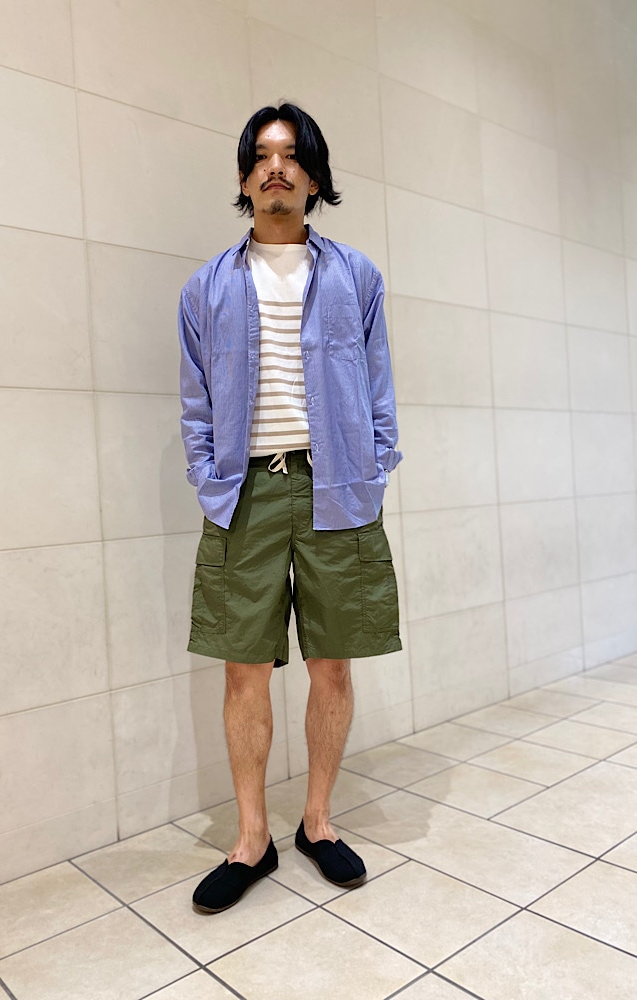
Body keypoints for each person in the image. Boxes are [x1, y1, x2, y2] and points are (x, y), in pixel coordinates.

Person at [178, 103, 403, 914]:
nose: (276, 167)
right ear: (245, 179)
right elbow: (196, 404)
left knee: (332, 662)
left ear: (313, 176)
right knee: (243, 668)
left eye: (291, 154)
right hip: (244, 494)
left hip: (336, 486)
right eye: (262, 156)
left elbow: (379, 388)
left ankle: (316, 822)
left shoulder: (356, 277)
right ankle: (251, 839)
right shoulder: (206, 288)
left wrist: (375, 467)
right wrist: (210, 480)